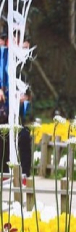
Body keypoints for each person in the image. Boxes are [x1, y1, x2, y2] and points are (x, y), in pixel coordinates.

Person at [0, 29, 33, 177]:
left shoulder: (27, 63)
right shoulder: (4, 57)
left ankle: (24, 176)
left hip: (18, 114)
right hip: (4, 110)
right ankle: (5, 175)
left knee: (23, 137)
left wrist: (24, 98)